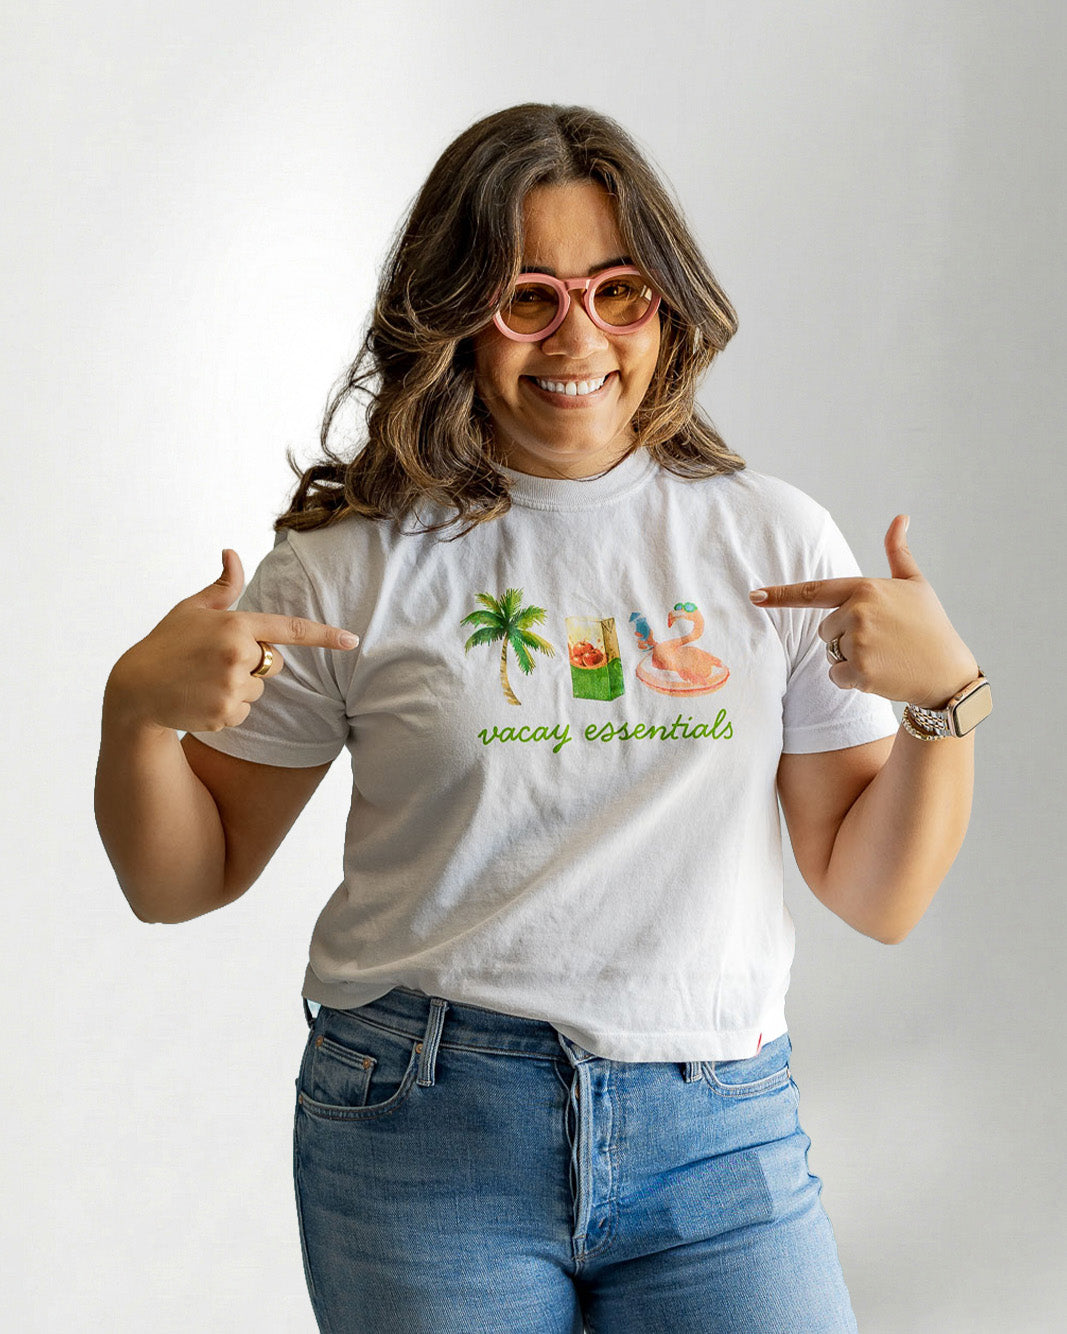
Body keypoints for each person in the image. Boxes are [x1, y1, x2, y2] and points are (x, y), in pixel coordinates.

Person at [95, 103, 991, 1333]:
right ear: (455, 311)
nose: (580, 335)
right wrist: (133, 714)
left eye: (617, 291)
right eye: (529, 297)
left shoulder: (771, 542)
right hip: (421, 1127)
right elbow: (180, 878)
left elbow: (871, 889)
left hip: (713, 1133)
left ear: (664, 308)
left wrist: (947, 701)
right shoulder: (352, 564)